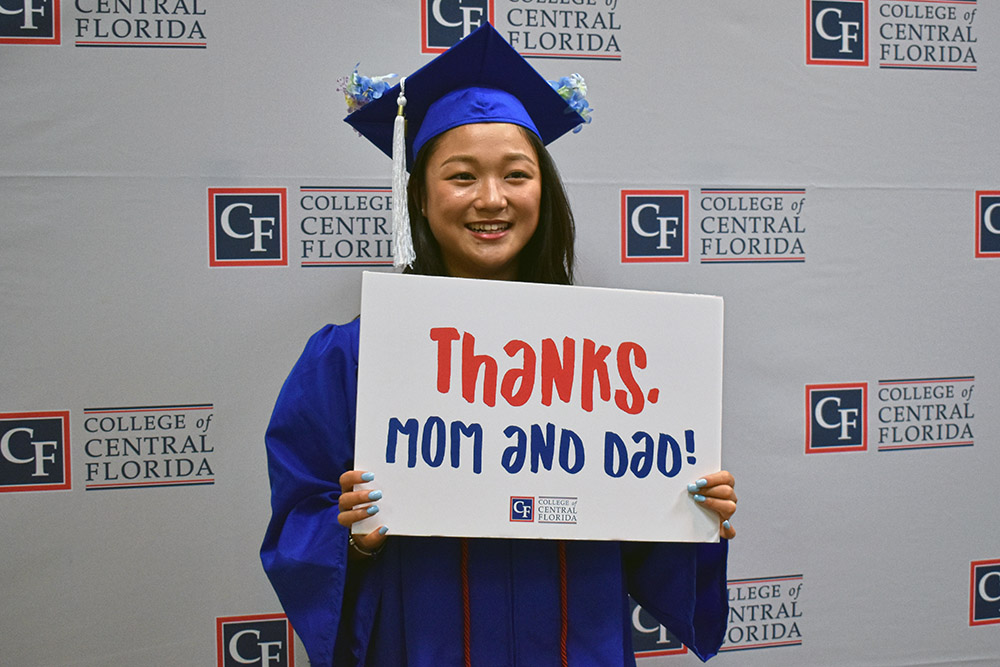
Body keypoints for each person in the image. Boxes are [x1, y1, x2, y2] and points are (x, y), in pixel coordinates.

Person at [261, 23, 737, 667]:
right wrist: (355, 539)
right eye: (461, 177)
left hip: (580, 644)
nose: (492, 199)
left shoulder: (614, 350)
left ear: (544, 192)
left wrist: (691, 513)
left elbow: (635, 518)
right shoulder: (351, 356)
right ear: (421, 201)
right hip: (421, 645)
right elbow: (300, 517)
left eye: (517, 175)